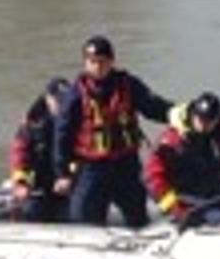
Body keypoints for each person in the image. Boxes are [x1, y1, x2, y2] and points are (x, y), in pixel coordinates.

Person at [53, 34, 174, 229]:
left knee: (137, 214)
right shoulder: (75, 95)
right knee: (83, 218)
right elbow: (62, 136)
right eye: (92, 62)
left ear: (112, 62)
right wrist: (62, 173)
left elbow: (153, 107)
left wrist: (178, 114)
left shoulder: (129, 85)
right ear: (85, 63)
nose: (98, 67)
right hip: (92, 167)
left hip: (125, 164)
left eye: (103, 62)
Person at [146, 90, 220, 228]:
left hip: (217, 195)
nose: (204, 124)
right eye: (200, 119)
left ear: (217, 119)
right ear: (193, 114)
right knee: (207, 222)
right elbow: (153, 178)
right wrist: (175, 209)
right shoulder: (172, 141)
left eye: (210, 121)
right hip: (185, 202)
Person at [7, 77, 71, 222]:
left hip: (68, 184)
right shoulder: (32, 123)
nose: (62, 105)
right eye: (58, 100)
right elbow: (19, 155)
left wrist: (70, 179)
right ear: (48, 98)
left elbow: (85, 154)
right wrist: (21, 184)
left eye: (65, 100)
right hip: (39, 184)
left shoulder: (77, 120)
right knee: (30, 212)